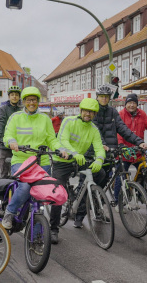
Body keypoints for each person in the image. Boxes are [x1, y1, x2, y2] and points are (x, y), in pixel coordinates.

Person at [1, 86, 68, 229]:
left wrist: (60, 148)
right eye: (28, 100)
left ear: (38, 102)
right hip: (21, 161)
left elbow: (51, 139)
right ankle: (10, 211)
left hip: (41, 161)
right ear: (24, 102)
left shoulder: (45, 119)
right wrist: (11, 141)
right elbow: (8, 135)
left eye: (34, 100)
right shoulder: (15, 117)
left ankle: (38, 233)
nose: (32, 103)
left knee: (42, 195)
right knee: (25, 187)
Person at [80, 85, 147, 208]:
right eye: (102, 96)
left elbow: (123, 129)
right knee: (87, 182)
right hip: (93, 151)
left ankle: (98, 207)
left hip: (109, 152)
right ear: (97, 97)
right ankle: (79, 213)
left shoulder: (113, 112)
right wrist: (103, 144)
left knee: (105, 179)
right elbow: (95, 130)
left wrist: (138, 141)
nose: (104, 99)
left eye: (106, 97)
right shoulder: (93, 111)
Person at [50, 98, 106, 243]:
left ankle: (83, 198)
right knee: (57, 194)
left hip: (78, 160)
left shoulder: (93, 129)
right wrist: (75, 153)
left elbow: (99, 147)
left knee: (100, 173)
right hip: (62, 161)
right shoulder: (69, 121)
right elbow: (63, 140)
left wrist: (99, 159)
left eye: (92, 112)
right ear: (81, 110)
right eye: (86, 111)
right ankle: (53, 229)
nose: (89, 114)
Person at [114, 93, 147, 210]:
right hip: (125, 152)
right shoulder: (120, 115)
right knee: (121, 176)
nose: (132, 105)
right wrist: (121, 145)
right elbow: (118, 132)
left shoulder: (141, 114)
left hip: (138, 151)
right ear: (125, 104)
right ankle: (118, 201)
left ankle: (140, 193)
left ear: (137, 104)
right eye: (129, 103)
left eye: (134, 103)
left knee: (145, 171)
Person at [0, 85, 22, 178]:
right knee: (4, 171)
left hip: (19, 145)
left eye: (16, 95)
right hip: (5, 145)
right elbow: (0, 123)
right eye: (12, 95)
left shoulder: (21, 110)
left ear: (19, 97)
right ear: (9, 96)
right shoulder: (4, 109)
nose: (14, 96)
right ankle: (3, 191)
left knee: (17, 173)